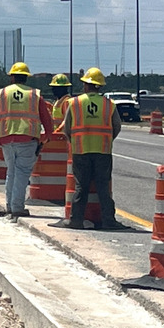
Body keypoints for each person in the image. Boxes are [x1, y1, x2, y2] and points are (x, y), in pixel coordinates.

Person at [49, 68, 126, 230]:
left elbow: (67, 128)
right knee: (103, 187)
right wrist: (107, 140)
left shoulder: (74, 103)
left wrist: (74, 141)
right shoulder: (108, 104)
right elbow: (116, 126)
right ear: (100, 87)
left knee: (81, 187)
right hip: (103, 151)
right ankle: (108, 221)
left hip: (80, 150)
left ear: (85, 85)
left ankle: (76, 220)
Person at [0, 62, 54, 223]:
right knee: (22, 172)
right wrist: (48, 135)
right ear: (26, 77)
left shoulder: (2, 94)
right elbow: (46, 118)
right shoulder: (34, 95)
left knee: (12, 171)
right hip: (27, 138)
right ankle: (17, 207)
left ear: (12, 77)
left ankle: (10, 205)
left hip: (6, 138)